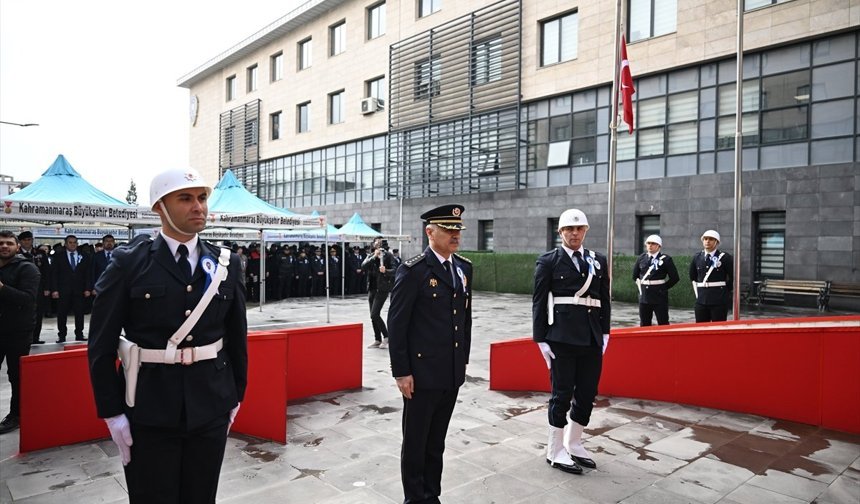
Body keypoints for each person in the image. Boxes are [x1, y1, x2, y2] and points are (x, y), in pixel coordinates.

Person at [87, 168, 247, 503]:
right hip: (149, 408)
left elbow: (236, 337)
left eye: (202, 198)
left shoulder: (226, 263)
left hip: (211, 404)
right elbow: (101, 344)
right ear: (159, 207)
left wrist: (236, 396)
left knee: (201, 497)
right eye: (185, 199)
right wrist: (112, 413)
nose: (198, 207)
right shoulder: (129, 263)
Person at [388, 204, 472, 504]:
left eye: (457, 229)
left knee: (436, 442)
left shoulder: (463, 268)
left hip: (450, 372)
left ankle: (431, 494)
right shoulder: (414, 271)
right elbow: (397, 324)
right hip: (421, 375)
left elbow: (464, 319)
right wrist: (401, 371)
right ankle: (414, 498)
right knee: (416, 442)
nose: (455, 235)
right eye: (448, 229)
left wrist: (462, 362)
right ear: (430, 232)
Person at [533, 209, 610, 475]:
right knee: (562, 394)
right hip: (561, 338)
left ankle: (574, 443)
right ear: (560, 232)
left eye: (579, 229)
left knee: (588, 392)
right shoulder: (548, 261)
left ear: (585, 231)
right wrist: (540, 339)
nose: (574, 233)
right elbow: (539, 302)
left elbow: (604, 299)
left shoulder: (597, 260)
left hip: (591, 336)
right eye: (569, 229)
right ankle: (554, 450)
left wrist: (605, 332)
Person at [0, 230, 41, 434]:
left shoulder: (27, 268)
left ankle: (16, 415)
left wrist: (2, 288)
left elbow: (27, 299)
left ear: (17, 247)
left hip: (17, 331)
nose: (4, 246)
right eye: (1, 243)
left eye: (9, 243)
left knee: (16, 376)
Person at [50, 234, 93, 342]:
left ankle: (79, 333)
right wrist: (54, 290)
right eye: (70, 242)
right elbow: (54, 274)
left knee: (79, 313)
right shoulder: (59, 256)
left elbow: (88, 273)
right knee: (62, 313)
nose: (73, 245)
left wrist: (88, 288)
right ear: (65, 244)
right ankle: (62, 335)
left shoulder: (84, 256)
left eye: (75, 242)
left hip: (79, 290)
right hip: (63, 290)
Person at [631, 234, 679, 326]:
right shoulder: (641, 258)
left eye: (653, 243)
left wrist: (663, 288)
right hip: (644, 296)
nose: (650, 245)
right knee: (644, 323)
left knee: (663, 322)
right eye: (648, 243)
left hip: (659, 296)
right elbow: (635, 276)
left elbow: (675, 278)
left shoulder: (666, 259)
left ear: (658, 246)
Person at [690, 229, 733, 322]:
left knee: (718, 327)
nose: (707, 241)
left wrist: (724, 291)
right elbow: (693, 276)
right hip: (701, 300)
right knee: (701, 328)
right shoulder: (697, 257)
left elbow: (733, 278)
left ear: (716, 242)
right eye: (705, 239)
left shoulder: (725, 257)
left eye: (711, 239)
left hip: (718, 300)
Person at [363, 238, 396, 349]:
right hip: (371, 288)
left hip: (382, 288)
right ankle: (377, 339)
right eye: (376, 242)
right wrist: (374, 257)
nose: (377, 244)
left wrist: (385, 270)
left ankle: (386, 336)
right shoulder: (371, 255)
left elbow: (395, 270)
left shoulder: (388, 255)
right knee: (372, 316)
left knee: (375, 314)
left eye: (379, 243)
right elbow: (363, 266)